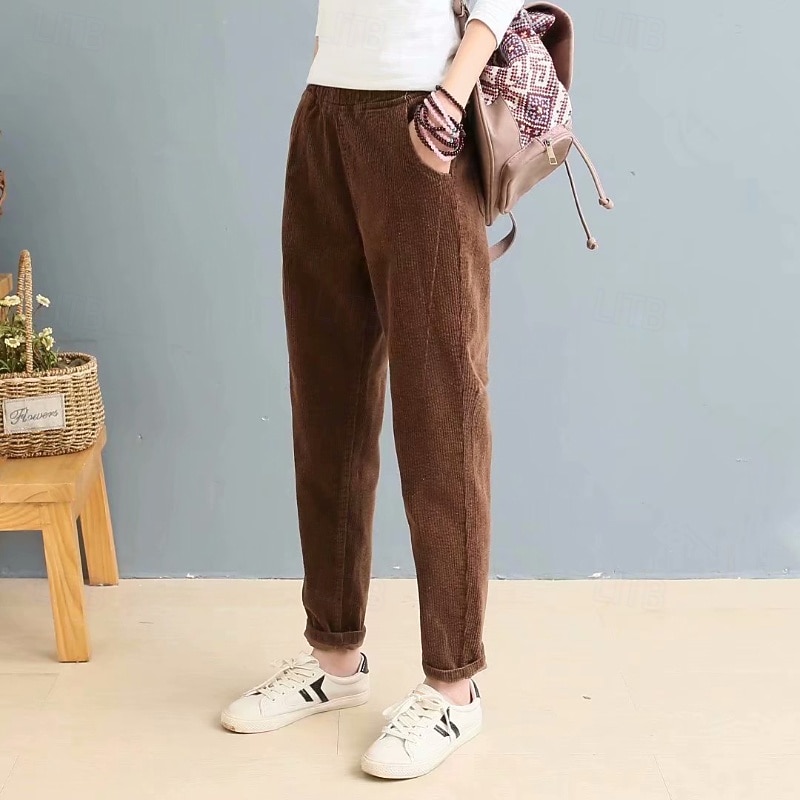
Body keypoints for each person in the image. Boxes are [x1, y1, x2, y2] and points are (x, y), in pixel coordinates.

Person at [221, 0, 523, 780]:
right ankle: (334, 659)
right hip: (326, 110)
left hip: (425, 113)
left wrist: (451, 94)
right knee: (326, 401)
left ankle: (454, 687)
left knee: (441, 413)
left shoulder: (437, 104)